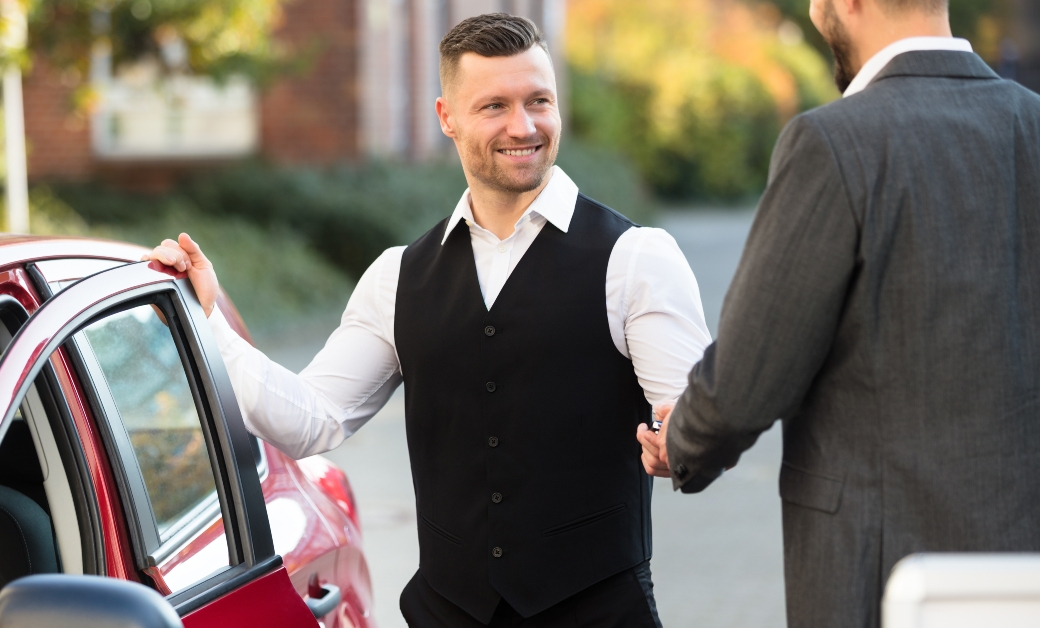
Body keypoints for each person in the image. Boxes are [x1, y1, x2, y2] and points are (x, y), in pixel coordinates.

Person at [148, 13, 710, 628]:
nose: (522, 126)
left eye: (538, 101)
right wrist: (208, 319)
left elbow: (693, 417)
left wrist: (681, 445)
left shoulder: (637, 259)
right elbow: (313, 420)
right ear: (447, 117)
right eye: (494, 106)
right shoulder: (399, 276)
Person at [638, 0, 1040, 626]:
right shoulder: (1034, 125)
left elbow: (747, 379)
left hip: (881, 575)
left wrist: (683, 439)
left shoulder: (832, 142)